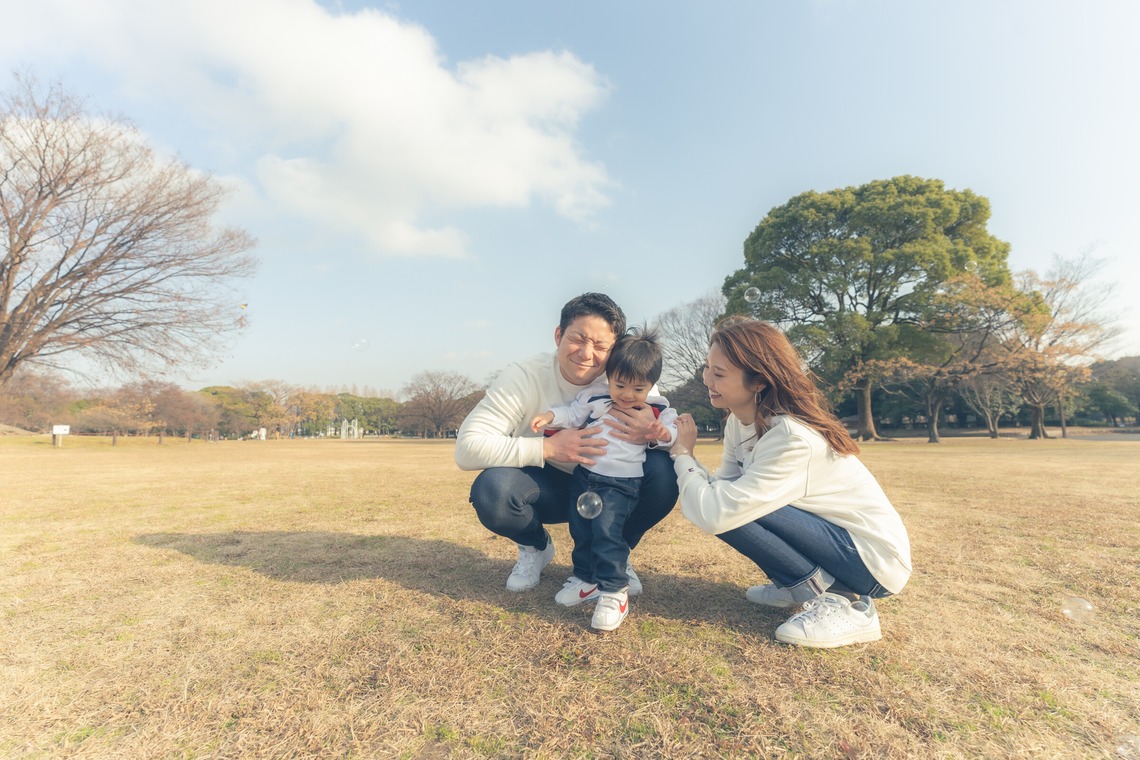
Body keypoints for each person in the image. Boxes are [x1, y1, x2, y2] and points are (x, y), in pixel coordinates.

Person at [669, 317, 912, 648]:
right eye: (707, 368)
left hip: (873, 561)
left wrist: (682, 455)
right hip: (836, 540)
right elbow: (720, 495)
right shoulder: (738, 423)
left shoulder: (791, 437)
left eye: (720, 373)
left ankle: (849, 604)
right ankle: (796, 584)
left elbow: (716, 511)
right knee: (737, 505)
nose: (707, 379)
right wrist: (685, 457)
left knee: (737, 509)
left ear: (758, 382)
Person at [454, 293, 679, 601]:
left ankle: (615, 553)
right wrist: (548, 449)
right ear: (559, 335)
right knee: (493, 490)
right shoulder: (524, 376)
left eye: (601, 346)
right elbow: (467, 448)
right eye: (578, 339)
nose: (587, 354)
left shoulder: (632, 381)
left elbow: (669, 434)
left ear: (615, 350)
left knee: (665, 473)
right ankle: (535, 546)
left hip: (613, 486)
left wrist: (651, 434)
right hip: (550, 485)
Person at [530, 326, 678, 631]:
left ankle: (614, 591)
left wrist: (663, 433)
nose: (626, 395)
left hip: (621, 483)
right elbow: (571, 412)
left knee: (607, 534)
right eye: (620, 385)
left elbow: (672, 433)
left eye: (637, 389)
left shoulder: (657, 408)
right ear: (609, 377)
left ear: (651, 385)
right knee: (581, 529)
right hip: (585, 477)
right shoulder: (596, 397)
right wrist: (549, 417)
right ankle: (585, 579)